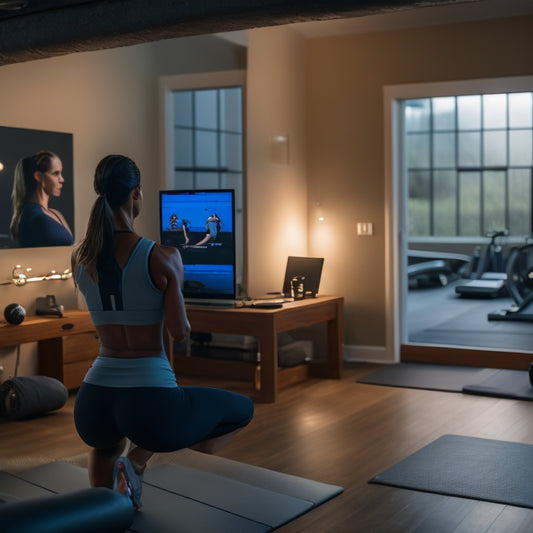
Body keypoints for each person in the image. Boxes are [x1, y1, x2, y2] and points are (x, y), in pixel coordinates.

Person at [71, 155, 253, 510]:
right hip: (150, 405)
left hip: (93, 403)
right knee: (240, 410)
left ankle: (100, 510)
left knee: (106, 445)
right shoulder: (162, 256)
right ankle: (136, 462)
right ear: (135, 195)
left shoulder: (80, 256)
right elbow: (179, 331)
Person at [9, 150, 73, 247]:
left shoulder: (55, 213)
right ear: (38, 176)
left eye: (61, 173)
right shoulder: (35, 217)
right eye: (56, 173)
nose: (62, 180)